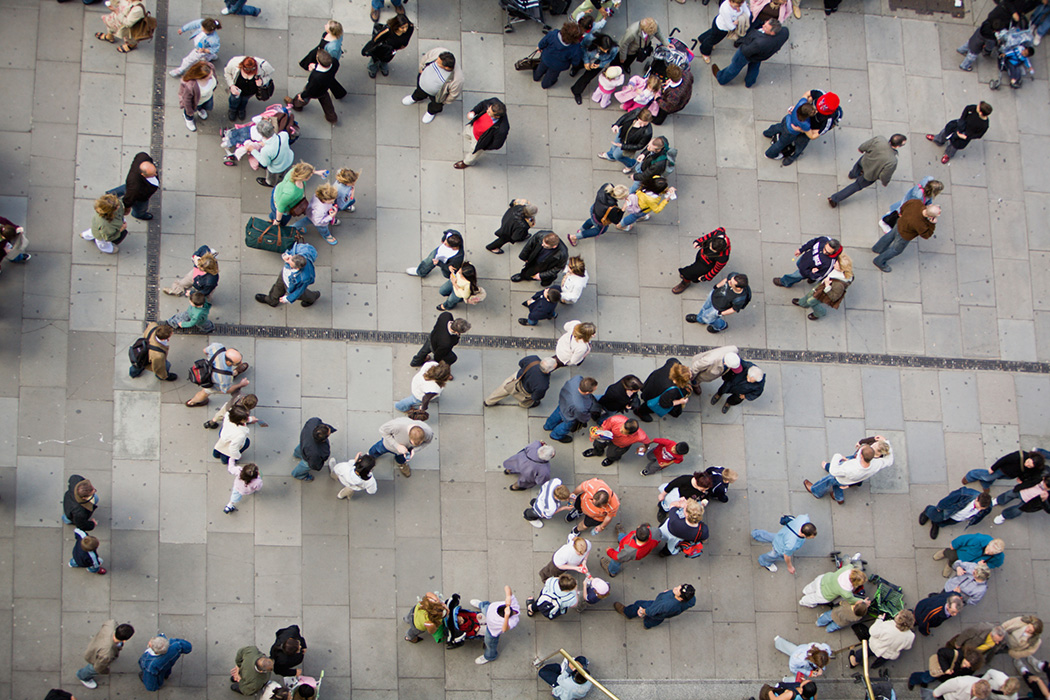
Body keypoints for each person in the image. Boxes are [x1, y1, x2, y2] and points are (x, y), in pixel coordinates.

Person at [803, 435, 894, 503]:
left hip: (840, 477)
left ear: (861, 456)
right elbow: (890, 460)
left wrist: (838, 456)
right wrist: (886, 442)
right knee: (838, 486)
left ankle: (816, 491)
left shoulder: (851, 468)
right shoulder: (879, 463)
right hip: (849, 480)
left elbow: (834, 471)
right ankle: (839, 498)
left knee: (828, 480)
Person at [828, 134, 907, 207]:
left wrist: (861, 149)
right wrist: (884, 182)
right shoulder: (892, 161)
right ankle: (834, 198)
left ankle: (852, 175)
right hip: (870, 174)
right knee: (856, 186)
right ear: (898, 146)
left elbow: (866, 145)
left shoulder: (880, 139)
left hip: (864, 161)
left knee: (856, 168)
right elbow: (885, 175)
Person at [712, 18, 789, 87]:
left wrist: (741, 43)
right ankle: (749, 82)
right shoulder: (785, 32)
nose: (763, 26)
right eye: (765, 23)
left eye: (766, 27)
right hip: (762, 54)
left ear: (772, 33)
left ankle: (721, 78)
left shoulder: (759, 42)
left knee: (735, 67)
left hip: (748, 53)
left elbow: (745, 51)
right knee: (754, 66)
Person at [871, 202, 940, 273]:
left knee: (890, 236)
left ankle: (877, 248)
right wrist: (932, 224)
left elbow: (904, 206)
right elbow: (926, 235)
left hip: (899, 223)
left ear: (930, 206)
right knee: (896, 250)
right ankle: (879, 261)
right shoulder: (921, 225)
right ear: (930, 217)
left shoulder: (916, 203)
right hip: (904, 236)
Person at [781, 90, 842, 166]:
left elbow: (816, 134)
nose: (815, 110)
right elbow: (807, 94)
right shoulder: (821, 94)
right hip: (803, 118)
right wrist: (799, 108)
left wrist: (803, 130)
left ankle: (793, 156)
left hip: (811, 129)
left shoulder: (829, 120)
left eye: (818, 110)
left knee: (800, 143)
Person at [403, 49, 463, 124]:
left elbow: (454, 94)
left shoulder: (457, 79)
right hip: (422, 83)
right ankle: (415, 98)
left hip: (437, 95)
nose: (436, 61)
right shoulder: (439, 52)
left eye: (438, 63)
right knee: (419, 92)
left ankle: (430, 112)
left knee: (436, 105)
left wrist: (444, 101)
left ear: (446, 67)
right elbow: (426, 57)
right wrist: (421, 68)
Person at [255, 242, 320, 308]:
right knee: (278, 287)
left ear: (296, 268)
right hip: (284, 275)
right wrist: (286, 255)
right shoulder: (298, 254)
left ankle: (312, 297)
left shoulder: (305, 278)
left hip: (291, 284)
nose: (287, 261)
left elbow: (300, 290)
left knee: (301, 294)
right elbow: (291, 252)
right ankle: (272, 301)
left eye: (289, 263)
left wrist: (288, 298)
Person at [185, 343, 250, 407]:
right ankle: (192, 402)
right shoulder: (225, 378)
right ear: (228, 362)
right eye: (238, 363)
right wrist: (241, 384)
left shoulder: (217, 347)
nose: (241, 363)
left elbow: (205, 350)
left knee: (205, 391)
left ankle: (234, 373)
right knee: (205, 392)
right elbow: (226, 390)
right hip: (211, 381)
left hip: (205, 370)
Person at [686, 272, 751, 333]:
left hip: (718, 308)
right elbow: (726, 280)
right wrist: (716, 286)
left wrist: (720, 313)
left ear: (738, 288)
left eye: (731, 282)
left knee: (709, 318)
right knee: (704, 308)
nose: (729, 282)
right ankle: (700, 319)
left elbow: (733, 309)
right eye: (730, 280)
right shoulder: (733, 276)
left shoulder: (739, 299)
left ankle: (721, 326)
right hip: (714, 296)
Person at [369, 415, 433, 477]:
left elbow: (427, 442)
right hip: (388, 445)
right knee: (377, 450)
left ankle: (401, 464)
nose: (413, 445)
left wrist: (414, 450)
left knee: (402, 459)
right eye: (411, 443)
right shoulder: (397, 426)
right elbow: (382, 430)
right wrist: (397, 446)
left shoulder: (428, 433)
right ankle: (370, 457)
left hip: (405, 451)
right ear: (409, 435)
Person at [77, 620, 135, 689]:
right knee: (91, 669)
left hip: (96, 644)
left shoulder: (111, 624)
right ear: (125, 640)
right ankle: (83, 677)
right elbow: (98, 667)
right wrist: (105, 671)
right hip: (96, 657)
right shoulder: (107, 653)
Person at [544, 375, 602, 443]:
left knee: (557, 414)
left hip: (563, 402)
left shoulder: (576, 379)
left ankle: (548, 426)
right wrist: (586, 419)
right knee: (566, 425)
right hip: (569, 415)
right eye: (594, 389)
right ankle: (556, 435)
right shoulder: (581, 406)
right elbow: (582, 417)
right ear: (587, 392)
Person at [298, 20, 347, 100]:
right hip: (320, 51)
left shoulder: (332, 48)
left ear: (331, 31)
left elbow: (328, 60)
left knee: (329, 79)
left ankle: (339, 92)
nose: (325, 25)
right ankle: (305, 64)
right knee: (312, 56)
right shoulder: (332, 35)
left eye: (327, 25)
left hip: (322, 57)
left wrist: (316, 66)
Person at [848, 610, 915, 668]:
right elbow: (907, 647)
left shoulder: (888, 625)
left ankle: (855, 661)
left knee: (864, 652)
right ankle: (875, 665)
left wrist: (879, 620)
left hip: (874, 646)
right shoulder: (911, 636)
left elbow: (872, 632)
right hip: (889, 654)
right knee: (882, 659)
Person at [287, 50, 340, 124]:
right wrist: (315, 66)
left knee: (303, 98)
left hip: (316, 91)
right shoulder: (335, 62)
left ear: (319, 61)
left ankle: (296, 105)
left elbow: (310, 90)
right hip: (325, 87)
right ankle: (332, 117)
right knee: (327, 103)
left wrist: (302, 96)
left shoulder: (316, 76)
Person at [455, 98, 510, 169]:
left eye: (489, 113)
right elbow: (483, 104)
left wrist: (483, 146)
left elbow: (497, 145)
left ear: (497, 116)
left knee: (473, 153)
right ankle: (472, 142)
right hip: (473, 127)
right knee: (465, 134)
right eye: (488, 109)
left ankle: (467, 162)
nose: (487, 111)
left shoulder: (502, 129)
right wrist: (474, 111)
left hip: (479, 141)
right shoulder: (494, 102)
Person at [751, 514, 816, 573]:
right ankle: (764, 562)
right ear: (804, 534)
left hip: (782, 535)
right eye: (811, 536)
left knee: (772, 537)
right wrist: (790, 567)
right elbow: (786, 555)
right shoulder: (792, 544)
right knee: (773, 555)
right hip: (780, 547)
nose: (813, 537)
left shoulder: (804, 519)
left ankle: (756, 534)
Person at [673, 228, 731, 294]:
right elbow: (708, 236)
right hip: (701, 255)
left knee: (689, 273)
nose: (709, 248)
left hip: (706, 264)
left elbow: (716, 269)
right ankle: (690, 277)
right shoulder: (719, 233)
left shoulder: (723, 257)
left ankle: (685, 282)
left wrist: (706, 277)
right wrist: (699, 242)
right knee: (694, 266)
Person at [471, 586, 519, 665]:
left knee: (490, 643)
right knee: (485, 606)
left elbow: (504, 629)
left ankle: (489, 656)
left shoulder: (513, 621)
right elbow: (507, 587)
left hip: (491, 630)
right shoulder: (512, 603)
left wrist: (506, 617)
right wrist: (508, 597)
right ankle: (480, 604)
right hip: (489, 610)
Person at [794, 254, 853, 319]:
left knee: (811, 301)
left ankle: (820, 312)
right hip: (822, 285)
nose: (834, 265)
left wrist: (827, 285)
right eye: (836, 262)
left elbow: (834, 297)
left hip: (824, 294)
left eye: (837, 265)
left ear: (842, 269)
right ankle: (802, 303)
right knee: (810, 293)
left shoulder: (839, 285)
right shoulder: (837, 270)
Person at [920, 488, 994, 539]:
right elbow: (948, 499)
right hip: (950, 511)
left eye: (982, 509)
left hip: (958, 518)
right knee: (935, 515)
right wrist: (939, 507)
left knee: (946, 522)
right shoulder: (964, 494)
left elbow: (981, 516)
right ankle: (927, 511)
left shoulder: (988, 507)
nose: (979, 510)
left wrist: (973, 521)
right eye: (978, 507)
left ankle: (936, 524)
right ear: (977, 499)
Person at [879, 176, 944, 234]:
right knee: (896, 215)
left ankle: (890, 215)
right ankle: (884, 221)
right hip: (906, 206)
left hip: (907, 202)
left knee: (896, 211)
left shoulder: (928, 180)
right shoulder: (919, 197)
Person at [485, 355, 556, 408]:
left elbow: (521, 363)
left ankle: (488, 401)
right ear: (548, 371)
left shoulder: (533, 359)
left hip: (517, 378)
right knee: (528, 401)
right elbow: (536, 397)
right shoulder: (544, 384)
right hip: (526, 391)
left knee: (503, 389)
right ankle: (523, 404)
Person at [634, 358, 692, 422]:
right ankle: (640, 411)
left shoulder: (673, 362)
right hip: (653, 396)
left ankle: (643, 397)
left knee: (647, 394)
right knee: (650, 406)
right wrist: (680, 401)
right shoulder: (672, 391)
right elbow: (664, 404)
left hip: (649, 385)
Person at [772, 236, 842, 289]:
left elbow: (820, 275)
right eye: (824, 249)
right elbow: (812, 242)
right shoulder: (824, 239)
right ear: (826, 243)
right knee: (799, 264)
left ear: (834, 252)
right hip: (804, 259)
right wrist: (801, 250)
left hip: (806, 271)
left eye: (828, 252)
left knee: (795, 276)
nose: (824, 252)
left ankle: (784, 282)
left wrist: (811, 274)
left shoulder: (829, 263)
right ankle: (810, 279)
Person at [615, 584, 696, 628]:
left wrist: (642, 611)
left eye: (677, 590)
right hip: (663, 615)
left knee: (639, 604)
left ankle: (627, 612)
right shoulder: (692, 599)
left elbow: (651, 611)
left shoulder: (666, 604)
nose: (675, 588)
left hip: (655, 607)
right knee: (655, 620)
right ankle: (647, 625)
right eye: (679, 586)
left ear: (681, 598)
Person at [109, 152, 159, 221]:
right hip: (141, 196)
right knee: (140, 207)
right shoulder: (135, 186)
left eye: (155, 171)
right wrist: (127, 207)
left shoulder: (142, 156)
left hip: (133, 186)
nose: (155, 174)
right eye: (152, 174)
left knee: (127, 188)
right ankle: (138, 214)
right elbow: (129, 198)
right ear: (143, 174)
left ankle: (110, 194)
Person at [534, 22, 585, 89]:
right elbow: (575, 61)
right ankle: (545, 85)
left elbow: (543, 42)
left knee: (540, 68)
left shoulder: (553, 34)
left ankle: (536, 77)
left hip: (546, 58)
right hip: (558, 66)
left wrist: (540, 47)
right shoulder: (576, 48)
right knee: (551, 77)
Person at [909, 645, 985, 690]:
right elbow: (941, 652)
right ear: (965, 656)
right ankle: (912, 680)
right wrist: (946, 669)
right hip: (940, 670)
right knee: (925, 678)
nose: (964, 666)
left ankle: (923, 682)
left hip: (945, 676)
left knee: (927, 679)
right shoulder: (956, 654)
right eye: (965, 663)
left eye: (967, 666)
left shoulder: (972, 667)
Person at [584, 414, 648, 466]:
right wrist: (596, 434)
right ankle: (596, 451)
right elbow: (604, 427)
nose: (620, 431)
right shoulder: (616, 419)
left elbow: (647, 442)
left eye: (624, 432)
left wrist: (645, 447)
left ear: (631, 433)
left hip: (619, 445)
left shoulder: (641, 436)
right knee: (597, 444)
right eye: (622, 428)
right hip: (608, 436)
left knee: (612, 454)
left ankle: (611, 459)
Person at [573, 34, 619, 105]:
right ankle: (575, 69)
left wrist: (600, 65)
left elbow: (610, 58)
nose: (606, 51)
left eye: (607, 50)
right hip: (587, 57)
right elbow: (582, 47)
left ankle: (576, 91)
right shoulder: (590, 39)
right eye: (604, 49)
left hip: (598, 62)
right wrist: (586, 61)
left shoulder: (614, 49)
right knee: (578, 64)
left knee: (587, 78)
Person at [365, 14, 414, 79]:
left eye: (406, 26)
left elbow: (407, 39)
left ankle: (383, 66)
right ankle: (372, 69)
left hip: (392, 50)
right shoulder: (388, 30)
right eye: (402, 28)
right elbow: (375, 39)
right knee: (375, 60)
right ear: (396, 26)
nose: (405, 29)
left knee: (387, 59)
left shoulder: (410, 28)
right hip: (381, 49)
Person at [934, 533, 1006, 577]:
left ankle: (950, 565)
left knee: (956, 564)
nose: (987, 553)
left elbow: (996, 564)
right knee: (952, 556)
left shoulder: (999, 557)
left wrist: (986, 565)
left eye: (991, 553)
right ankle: (944, 553)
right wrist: (954, 544)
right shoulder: (979, 539)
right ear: (989, 544)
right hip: (961, 553)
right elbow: (964, 539)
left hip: (969, 564)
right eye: (988, 550)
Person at [964, 451, 1046, 489]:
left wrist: (1021, 478)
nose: (1027, 465)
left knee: (993, 478)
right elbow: (1004, 459)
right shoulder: (1020, 455)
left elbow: (1028, 472)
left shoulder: (1035, 468)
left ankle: (985, 483)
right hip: (1002, 470)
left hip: (1010, 475)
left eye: (1030, 466)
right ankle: (970, 476)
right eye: (1028, 462)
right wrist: (993, 468)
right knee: (987, 476)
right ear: (1030, 457)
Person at [798, 564, 866, 607]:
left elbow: (850, 565)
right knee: (813, 598)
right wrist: (863, 601)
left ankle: (806, 591)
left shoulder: (848, 568)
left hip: (822, 579)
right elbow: (852, 600)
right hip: (824, 594)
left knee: (812, 586)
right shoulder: (846, 592)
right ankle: (803, 601)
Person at [292, 417, 336, 482]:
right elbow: (314, 464)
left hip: (304, 443)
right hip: (309, 456)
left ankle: (296, 454)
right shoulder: (320, 451)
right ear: (323, 440)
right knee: (305, 465)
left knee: (299, 450)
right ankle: (298, 475)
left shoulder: (313, 422)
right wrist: (317, 467)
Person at [178, 61, 217, 132]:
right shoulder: (191, 86)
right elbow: (187, 100)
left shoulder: (210, 68)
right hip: (196, 102)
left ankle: (200, 110)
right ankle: (188, 119)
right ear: (201, 77)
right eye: (209, 77)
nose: (211, 77)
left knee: (204, 106)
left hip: (207, 98)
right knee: (190, 112)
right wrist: (189, 111)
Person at [922, 677, 992, 700]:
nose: (975, 695)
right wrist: (936, 693)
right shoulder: (960, 683)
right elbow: (946, 686)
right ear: (974, 686)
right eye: (975, 693)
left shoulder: (981, 686)